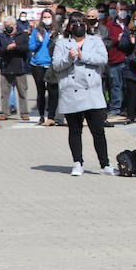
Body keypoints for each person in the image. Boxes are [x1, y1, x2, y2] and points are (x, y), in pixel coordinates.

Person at [52, 13, 112, 177]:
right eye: (74, 23)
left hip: (92, 92)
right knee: (75, 130)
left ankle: (105, 164)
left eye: (81, 22)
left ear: (86, 25)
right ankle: (77, 162)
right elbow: (56, 65)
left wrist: (83, 55)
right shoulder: (62, 43)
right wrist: (69, 58)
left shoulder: (96, 41)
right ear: (69, 26)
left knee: (98, 131)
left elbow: (103, 59)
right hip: (71, 91)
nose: (78, 25)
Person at [0, 14, 32, 121]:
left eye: (11, 25)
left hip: (20, 67)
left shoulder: (22, 35)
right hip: (6, 67)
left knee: (22, 91)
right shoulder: (1, 36)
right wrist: (7, 48)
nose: (9, 27)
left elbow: (26, 48)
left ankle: (24, 112)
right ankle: (4, 112)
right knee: (5, 92)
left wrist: (16, 46)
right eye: (6, 25)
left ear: (15, 25)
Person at [28, 11, 59, 126]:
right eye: (44, 17)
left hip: (52, 64)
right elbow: (30, 47)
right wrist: (39, 41)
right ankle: (41, 116)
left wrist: (52, 38)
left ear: (53, 18)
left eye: (49, 17)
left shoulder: (57, 31)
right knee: (41, 91)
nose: (46, 19)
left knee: (53, 91)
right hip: (38, 65)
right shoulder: (36, 31)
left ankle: (51, 116)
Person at [104, 5, 127, 118]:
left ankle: (126, 108)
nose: (122, 12)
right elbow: (106, 42)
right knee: (115, 85)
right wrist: (117, 39)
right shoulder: (109, 25)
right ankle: (115, 108)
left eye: (124, 10)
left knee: (127, 86)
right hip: (114, 59)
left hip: (127, 59)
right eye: (120, 10)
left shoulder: (130, 24)